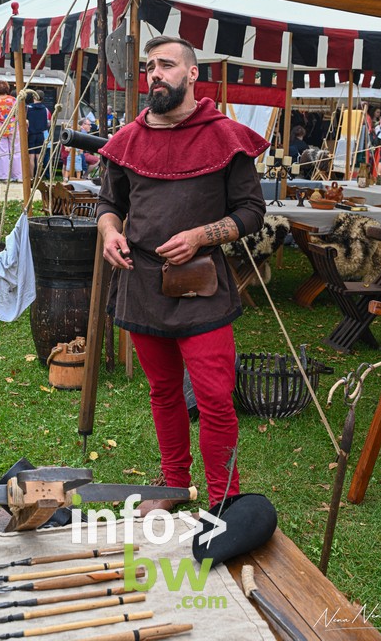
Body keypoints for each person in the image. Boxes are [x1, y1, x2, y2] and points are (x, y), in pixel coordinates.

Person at [97, 35, 268, 515]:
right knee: (163, 391)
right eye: (150, 65)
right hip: (141, 283)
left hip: (202, 283)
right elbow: (110, 204)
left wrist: (200, 236)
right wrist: (110, 232)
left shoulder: (225, 136)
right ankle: (174, 486)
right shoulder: (128, 140)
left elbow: (251, 212)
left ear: (193, 74)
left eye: (167, 64)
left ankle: (225, 501)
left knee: (214, 398)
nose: (155, 73)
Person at [0, 80, 22, 182]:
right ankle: (18, 176)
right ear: (7, 88)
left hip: (1, 127)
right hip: (13, 126)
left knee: (3, 152)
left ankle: (4, 176)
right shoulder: (13, 100)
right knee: (16, 151)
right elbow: (18, 113)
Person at [26, 90, 49, 179]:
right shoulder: (45, 109)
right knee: (39, 157)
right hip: (40, 134)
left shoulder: (28, 108)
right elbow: (47, 123)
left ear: (34, 97)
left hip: (31, 134)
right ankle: (38, 177)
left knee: (31, 157)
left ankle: (31, 177)